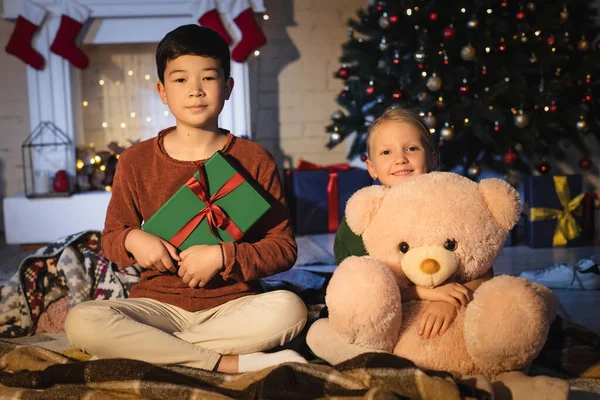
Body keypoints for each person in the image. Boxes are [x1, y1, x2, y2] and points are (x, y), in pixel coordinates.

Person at [65, 25, 307, 374]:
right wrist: (134, 238)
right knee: (81, 321)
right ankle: (227, 363)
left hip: (232, 308)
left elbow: (283, 248)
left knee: (291, 309)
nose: (195, 91)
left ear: (227, 87)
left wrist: (223, 255)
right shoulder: (135, 160)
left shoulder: (256, 159)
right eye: (180, 80)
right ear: (162, 91)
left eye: (207, 78)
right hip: (157, 309)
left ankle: (146, 352)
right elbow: (112, 239)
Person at [333, 107, 494, 340]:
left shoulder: (452, 204)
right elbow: (361, 291)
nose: (400, 159)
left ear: (433, 157)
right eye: (386, 152)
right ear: (371, 168)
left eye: (412, 148)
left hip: (449, 314)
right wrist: (428, 294)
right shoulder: (363, 216)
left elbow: (484, 270)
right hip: (388, 319)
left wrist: (453, 299)